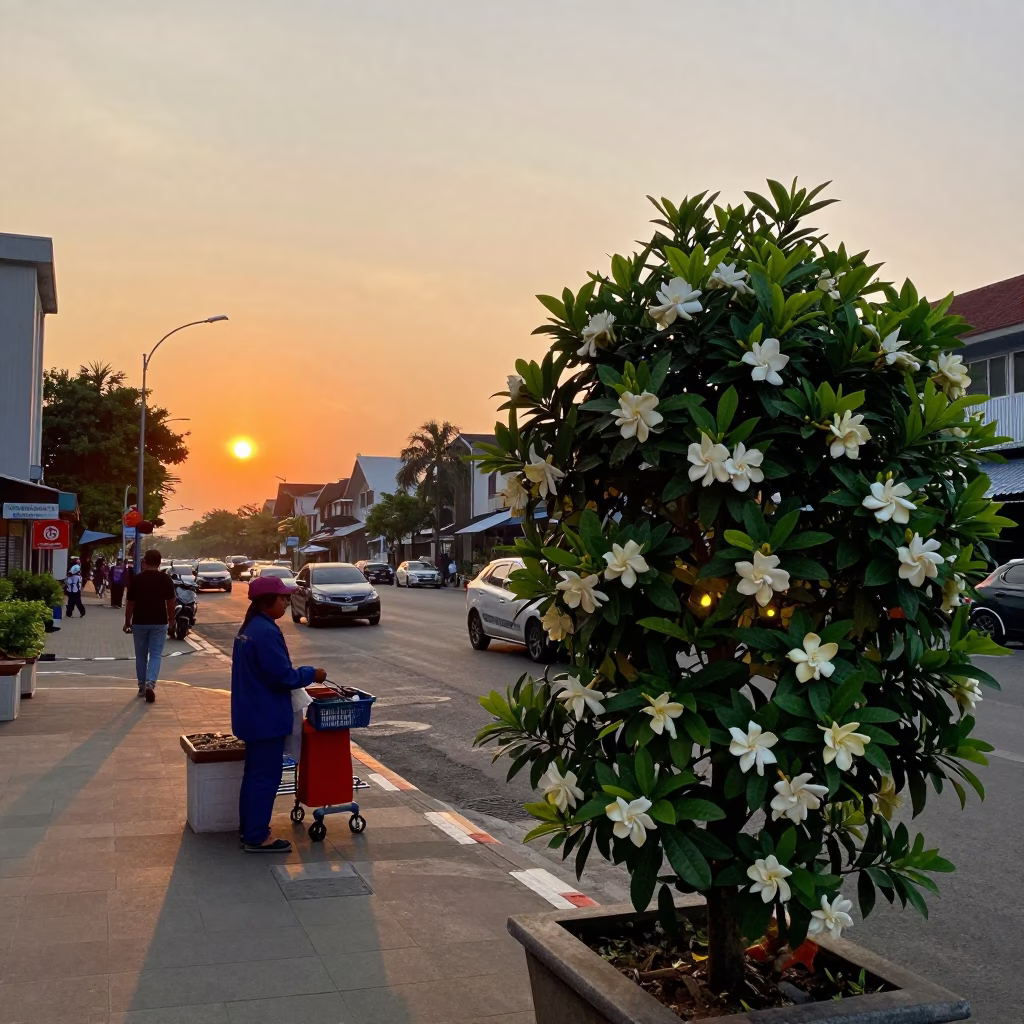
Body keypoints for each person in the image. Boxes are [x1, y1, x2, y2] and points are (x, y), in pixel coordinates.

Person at [231, 575, 325, 852]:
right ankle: (258, 836)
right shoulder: (265, 632)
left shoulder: (250, 628)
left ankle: (249, 829)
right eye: (282, 598)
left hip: (251, 713)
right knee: (265, 778)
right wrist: (311, 673)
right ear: (266, 601)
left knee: (254, 775)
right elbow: (281, 676)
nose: (286, 602)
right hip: (265, 716)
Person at [123, 548, 175, 703]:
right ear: (159, 563)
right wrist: (171, 619)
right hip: (159, 622)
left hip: (139, 622)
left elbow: (130, 604)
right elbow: (171, 601)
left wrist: (127, 622)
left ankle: (141, 686)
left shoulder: (137, 580)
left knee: (140, 655)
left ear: (144, 561)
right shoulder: (166, 579)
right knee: (156, 654)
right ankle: (150, 683)